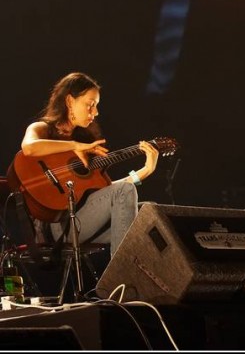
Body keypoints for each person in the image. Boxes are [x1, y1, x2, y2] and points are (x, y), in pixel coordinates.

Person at [19, 72, 159, 257]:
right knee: (125, 193)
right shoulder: (42, 129)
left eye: (96, 106)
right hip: (59, 225)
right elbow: (28, 148)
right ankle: (121, 279)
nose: (95, 112)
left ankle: (136, 279)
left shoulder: (85, 142)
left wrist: (144, 172)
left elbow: (108, 193)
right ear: (69, 101)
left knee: (148, 213)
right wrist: (74, 146)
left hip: (84, 220)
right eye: (90, 104)